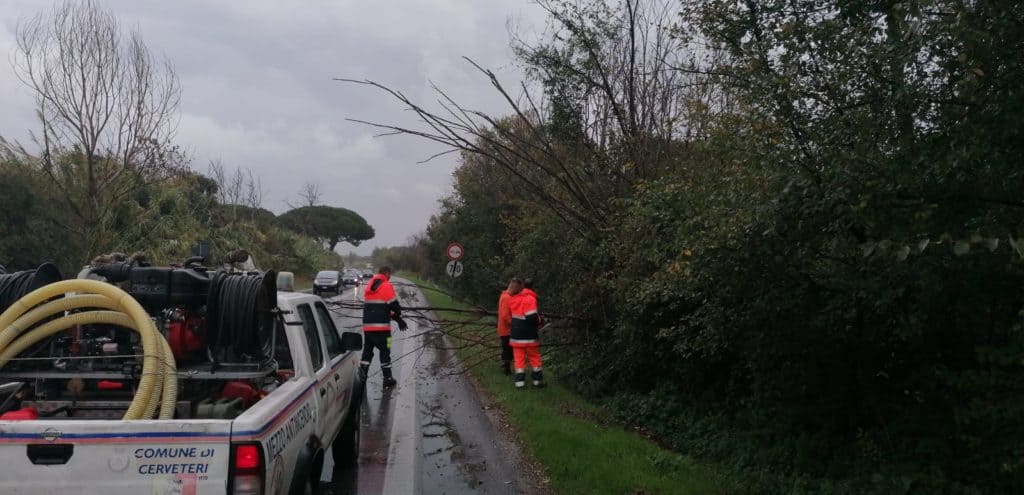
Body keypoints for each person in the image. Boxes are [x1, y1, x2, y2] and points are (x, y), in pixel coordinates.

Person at [361, 266, 407, 389]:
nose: (390, 276)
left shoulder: (369, 285)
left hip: (368, 329)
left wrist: (397, 318)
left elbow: (381, 308)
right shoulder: (386, 285)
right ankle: (387, 378)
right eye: (390, 274)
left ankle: (362, 377)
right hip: (383, 330)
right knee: (386, 351)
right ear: (386, 273)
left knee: (367, 353)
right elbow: (394, 306)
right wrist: (399, 317)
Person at [509, 278, 544, 388]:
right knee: (535, 358)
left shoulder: (513, 299)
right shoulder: (529, 299)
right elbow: (532, 318)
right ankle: (537, 382)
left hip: (516, 335)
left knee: (519, 361)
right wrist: (541, 320)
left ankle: (520, 384)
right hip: (529, 335)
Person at [496, 278, 521, 375]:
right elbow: (505, 315)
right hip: (506, 330)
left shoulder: (506, 296)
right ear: (514, 287)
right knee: (508, 350)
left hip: (507, 329)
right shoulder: (507, 298)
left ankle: (505, 365)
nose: (519, 291)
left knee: (508, 349)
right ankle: (506, 369)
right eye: (518, 289)